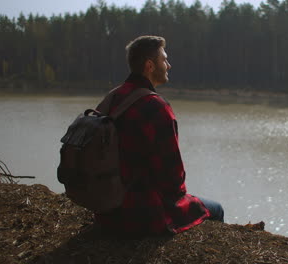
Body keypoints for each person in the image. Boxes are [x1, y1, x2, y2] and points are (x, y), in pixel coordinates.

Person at [94, 35, 224, 236]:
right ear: (150, 66)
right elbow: (173, 178)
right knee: (216, 209)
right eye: (164, 60)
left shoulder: (113, 97)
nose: (169, 65)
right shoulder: (156, 107)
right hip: (143, 212)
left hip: (106, 206)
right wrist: (181, 198)